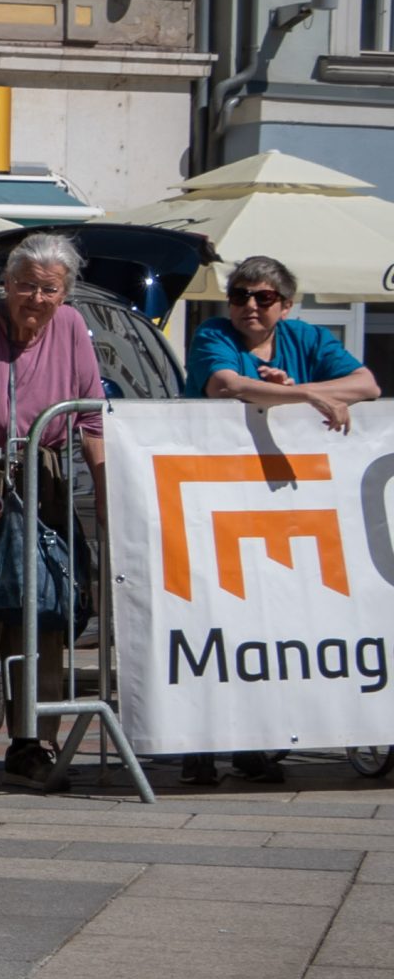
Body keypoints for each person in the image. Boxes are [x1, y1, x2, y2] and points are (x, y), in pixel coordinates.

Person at [177, 255, 381, 786]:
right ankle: (198, 747)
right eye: (240, 295)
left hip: (284, 502)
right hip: (213, 496)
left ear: (285, 305)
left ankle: (253, 742)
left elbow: (367, 386)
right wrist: (305, 394)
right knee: (212, 620)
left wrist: (288, 394)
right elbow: (226, 385)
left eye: (263, 297)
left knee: (272, 622)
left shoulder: (306, 338)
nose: (249, 305)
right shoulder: (212, 334)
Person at [0, 231, 107, 792]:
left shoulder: (72, 327)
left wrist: (106, 492)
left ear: (65, 293)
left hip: (43, 478)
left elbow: (91, 415)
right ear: (6, 284)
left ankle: (34, 742)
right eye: (26, 285)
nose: (36, 298)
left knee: (44, 610)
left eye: (48, 289)